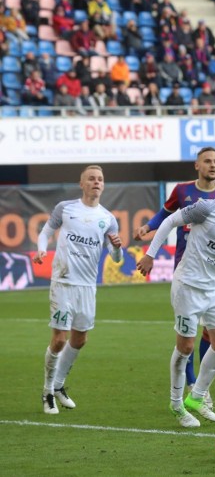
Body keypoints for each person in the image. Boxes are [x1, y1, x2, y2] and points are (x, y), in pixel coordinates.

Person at [136, 167, 215, 428]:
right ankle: (175, 404)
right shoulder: (205, 208)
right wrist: (150, 254)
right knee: (185, 348)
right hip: (188, 286)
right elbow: (170, 221)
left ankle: (196, 397)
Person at [134, 147, 215, 406]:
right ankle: (191, 383)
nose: (212, 165)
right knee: (189, 335)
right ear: (197, 165)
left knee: (212, 331)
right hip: (186, 269)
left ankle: (200, 387)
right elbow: (165, 215)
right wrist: (148, 227)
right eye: (207, 161)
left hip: (212, 271)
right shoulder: (183, 191)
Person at [35, 165, 123, 414]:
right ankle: (48, 391)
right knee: (59, 339)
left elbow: (116, 258)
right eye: (91, 179)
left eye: (100, 179)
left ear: (103, 185)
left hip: (87, 286)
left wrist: (116, 246)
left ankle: (60, 385)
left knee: (80, 339)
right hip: (63, 281)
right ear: (82, 184)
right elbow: (46, 231)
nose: (96, 182)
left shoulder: (108, 218)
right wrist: (42, 248)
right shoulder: (66, 208)